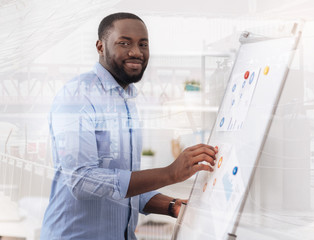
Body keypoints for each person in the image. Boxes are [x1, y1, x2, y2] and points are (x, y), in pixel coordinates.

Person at [40, 12, 217, 240]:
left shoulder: (127, 101)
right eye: (124, 43)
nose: (136, 51)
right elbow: (82, 181)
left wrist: (172, 205)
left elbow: (122, 185)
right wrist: (170, 173)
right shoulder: (77, 96)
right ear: (100, 46)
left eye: (143, 44)